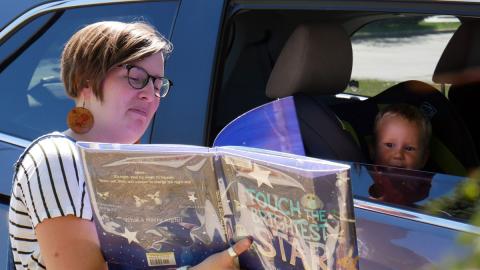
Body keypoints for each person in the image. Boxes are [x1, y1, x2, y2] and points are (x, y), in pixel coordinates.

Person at [9, 21, 251, 270]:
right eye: (136, 78)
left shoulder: (139, 168)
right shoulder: (57, 157)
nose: (150, 94)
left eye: (158, 85)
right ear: (86, 82)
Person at [368, 103, 433, 206]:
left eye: (409, 148)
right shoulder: (367, 180)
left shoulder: (424, 187)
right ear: (373, 150)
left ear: (424, 159)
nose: (398, 155)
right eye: (389, 145)